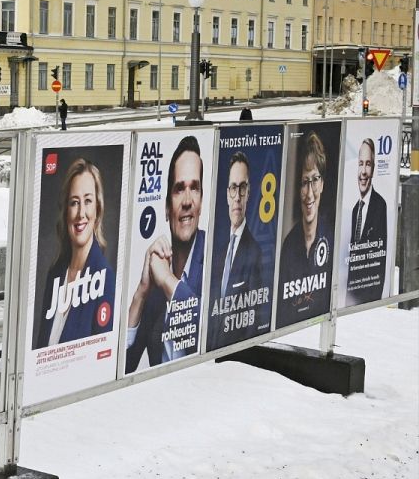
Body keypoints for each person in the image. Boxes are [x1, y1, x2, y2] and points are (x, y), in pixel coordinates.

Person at [125, 136, 206, 373]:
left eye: (195, 188)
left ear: (202, 201)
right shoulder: (157, 278)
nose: (188, 201)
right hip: (164, 400)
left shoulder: (217, 258)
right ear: (167, 207)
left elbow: (208, 331)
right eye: (179, 189)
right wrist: (142, 291)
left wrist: (169, 282)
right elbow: (123, 366)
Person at [34, 157, 116, 349]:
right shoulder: (55, 275)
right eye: (74, 202)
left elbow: (101, 354)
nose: (80, 213)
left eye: (87, 201)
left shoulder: (104, 277)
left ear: (98, 209)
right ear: (65, 212)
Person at [209, 152, 266, 346]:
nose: (238, 197)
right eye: (234, 188)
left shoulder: (254, 252)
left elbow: (254, 317)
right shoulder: (217, 254)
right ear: (227, 194)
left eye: (243, 188)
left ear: (249, 193)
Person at [278, 132, 334, 320]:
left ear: (323, 184)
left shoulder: (332, 236)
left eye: (315, 180)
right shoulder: (288, 246)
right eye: (304, 182)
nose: (310, 194)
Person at [344, 138, 389, 305]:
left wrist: (373, 301)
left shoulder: (380, 205)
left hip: (369, 298)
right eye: (360, 164)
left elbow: (381, 258)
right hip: (352, 298)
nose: (363, 171)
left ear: (374, 168)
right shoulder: (356, 209)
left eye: (368, 164)